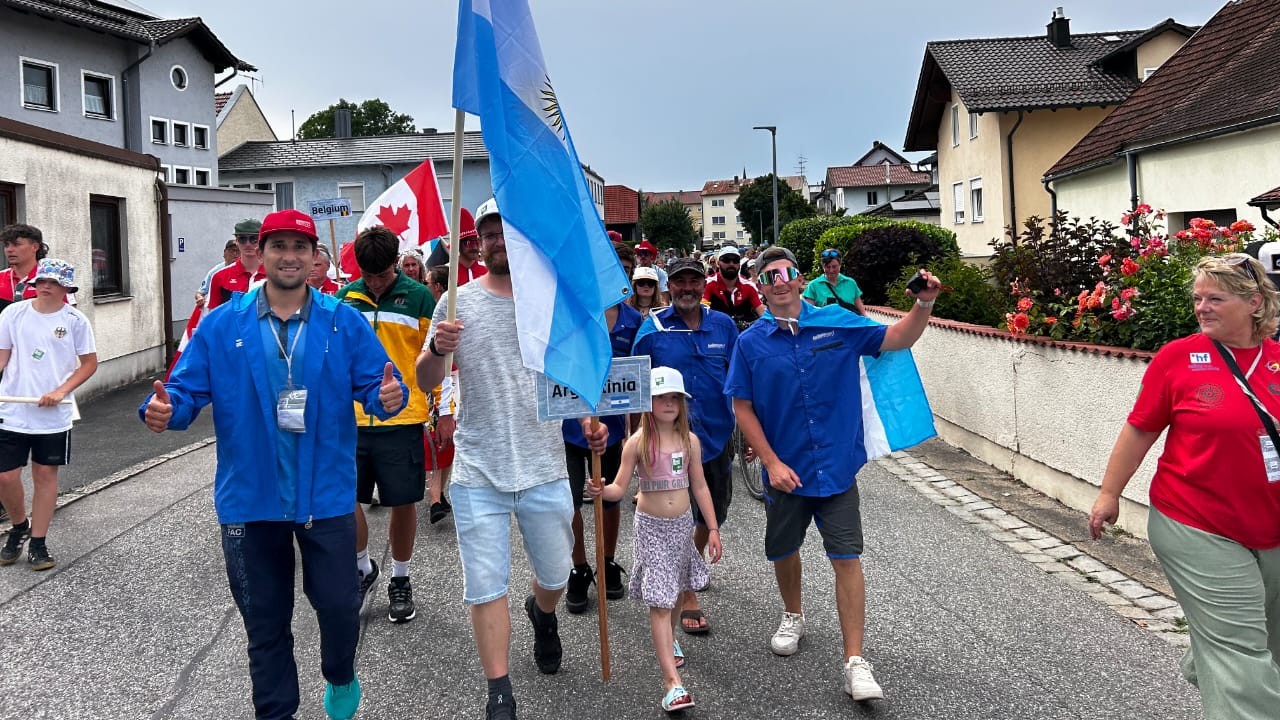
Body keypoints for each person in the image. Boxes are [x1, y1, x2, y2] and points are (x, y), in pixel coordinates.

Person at [140, 208, 407, 720]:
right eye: (278, 246)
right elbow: (183, 390)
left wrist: (387, 397)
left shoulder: (341, 320)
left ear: (314, 260)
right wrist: (165, 410)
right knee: (265, 624)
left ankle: (340, 672)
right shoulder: (221, 325)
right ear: (258, 255)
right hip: (250, 497)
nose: (289, 255)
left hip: (325, 494)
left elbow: (377, 386)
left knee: (337, 607)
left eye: (300, 247)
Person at [417, 198, 608, 720]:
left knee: (554, 575)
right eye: (489, 233)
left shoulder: (549, 301)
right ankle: (498, 688)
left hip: (544, 466)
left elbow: (578, 376)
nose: (498, 241)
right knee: (484, 583)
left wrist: (590, 421)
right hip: (479, 468)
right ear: (478, 241)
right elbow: (425, 379)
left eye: (508, 230)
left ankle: (542, 615)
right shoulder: (457, 302)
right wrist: (437, 348)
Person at [726, 245, 941, 703]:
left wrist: (923, 304)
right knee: (784, 549)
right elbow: (741, 405)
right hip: (786, 471)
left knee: (846, 557)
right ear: (760, 288)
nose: (780, 280)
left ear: (801, 279)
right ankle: (793, 613)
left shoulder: (836, 322)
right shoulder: (750, 343)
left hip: (837, 468)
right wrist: (770, 461)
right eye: (770, 276)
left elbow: (899, 337)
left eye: (788, 272)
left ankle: (855, 661)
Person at [1089, 253, 1280, 720]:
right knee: (1241, 649)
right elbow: (1140, 429)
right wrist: (1109, 494)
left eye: (1215, 297)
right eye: (1198, 298)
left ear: (1254, 302)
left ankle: (1214, 660)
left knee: (1265, 639)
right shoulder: (1179, 358)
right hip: (1196, 522)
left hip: (1272, 524)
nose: (1202, 307)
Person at [588, 366, 722, 713]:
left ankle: (671, 640)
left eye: (674, 397)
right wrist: (603, 490)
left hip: (681, 526)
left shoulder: (690, 441)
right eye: (660, 396)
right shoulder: (637, 442)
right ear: (648, 402)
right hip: (651, 529)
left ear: (682, 403)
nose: (668, 403)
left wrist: (713, 529)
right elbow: (620, 485)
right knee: (661, 602)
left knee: (676, 591)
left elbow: (701, 486)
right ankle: (671, 684)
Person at [632, 256, 738, 635]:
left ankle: (684, 569)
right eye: (680, 282)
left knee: (712, 514)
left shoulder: (724, 326)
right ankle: (687, 591)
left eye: (694, 280)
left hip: (716, 439)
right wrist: (640, 441)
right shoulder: (653, 329)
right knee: (678, 515)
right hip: (669, 443)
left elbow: (740, 381)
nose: (688, 288)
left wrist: (750, 434)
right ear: (669, 286)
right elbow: (635, 390)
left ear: (702, 282)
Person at [337, 225, 437, 624]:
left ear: (397, 263)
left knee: (402, 502)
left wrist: (441, 411)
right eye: (368, 274)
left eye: (381, 274)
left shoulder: (419, 297)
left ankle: (400, 578)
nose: (375, 282)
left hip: (404, 418)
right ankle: (362, 569)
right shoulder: (345, 299)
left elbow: (436, 361)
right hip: (354, 418)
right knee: (348, 501)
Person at [0, 259, 97, 571]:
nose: (45, 286)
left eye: (53, 282)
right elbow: (2, 357)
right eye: (41, 279)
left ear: (66, 287)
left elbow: (89, 364)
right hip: (13, 408)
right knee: (5, 476)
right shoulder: (13, 314)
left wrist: (61, 391)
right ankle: (19, 526)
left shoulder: (75, 320)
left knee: (44, 476)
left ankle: (39, 542)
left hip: (54, 414)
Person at [562, 246, 644, 613]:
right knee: (569, 504)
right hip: (570, 429)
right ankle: (579, 568)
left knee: (609, 498)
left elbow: (639, 383)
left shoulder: (633, 321)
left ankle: (607, 561)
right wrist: (582, 416)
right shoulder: (573, 318)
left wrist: (638, 434)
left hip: (613, 430)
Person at [423, 264, 456, 524]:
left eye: (428, 281)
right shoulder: (429, 308)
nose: (425, 285)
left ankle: (439, 494)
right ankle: (435, 498)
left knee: (448, 442)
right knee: (437, 442)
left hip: (454, 381)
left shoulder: (452, 308)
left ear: (437, 285)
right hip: (433, 381)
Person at [207, 218, 267, 310]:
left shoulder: (274, 275)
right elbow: (213, 316)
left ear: (261, 241)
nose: (248, 244)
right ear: (236, 242)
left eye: (253, 239)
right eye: (242, 239)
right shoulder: (219, 277)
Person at [704, 246, 765, 330]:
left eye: (735, 260)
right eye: (726, 260)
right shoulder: (708, 284)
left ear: (739, 264)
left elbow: (762, 312)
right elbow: (701, 311)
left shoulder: (749, 286)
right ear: (718, 263)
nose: (731, 264)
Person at [425, 208, 487, 285]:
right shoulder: (445, 273)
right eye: (469, 243)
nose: (474, 247)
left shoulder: (488, 271)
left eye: (477, 242)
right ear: (458, 244)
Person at [802, 249, 866, 315]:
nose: (831, 270)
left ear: (840, 265)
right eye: (827, 267)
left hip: (849, 324)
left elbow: (862, 311)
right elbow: (809, 313)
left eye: (834, 267)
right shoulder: (813, 286)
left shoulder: (851, 283)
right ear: (823, 267)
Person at [196, 237, 242, 308]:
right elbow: (200, 292)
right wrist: (200, 299)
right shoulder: (215, 272)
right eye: (232, 251)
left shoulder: (245, 270)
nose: (235, 254)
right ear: (225, 252)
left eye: (238, 251)